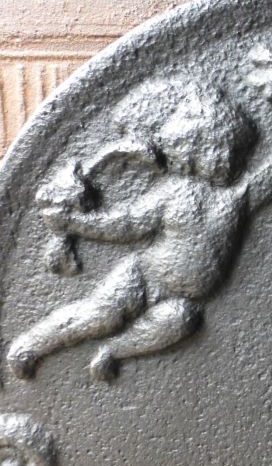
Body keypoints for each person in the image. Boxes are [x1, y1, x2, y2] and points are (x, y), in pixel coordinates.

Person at [8, 82, 257, 381]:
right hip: (144, 276)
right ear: (190, 149)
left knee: (180, 321)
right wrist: (76, 223)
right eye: (217, 151)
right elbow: (128, 223)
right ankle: (31, 345)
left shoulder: (238, 196)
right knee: (101, 316)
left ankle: (113, 352)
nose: (226, 161)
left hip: (182, 299)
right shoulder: (175, 193)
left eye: (236, 153)